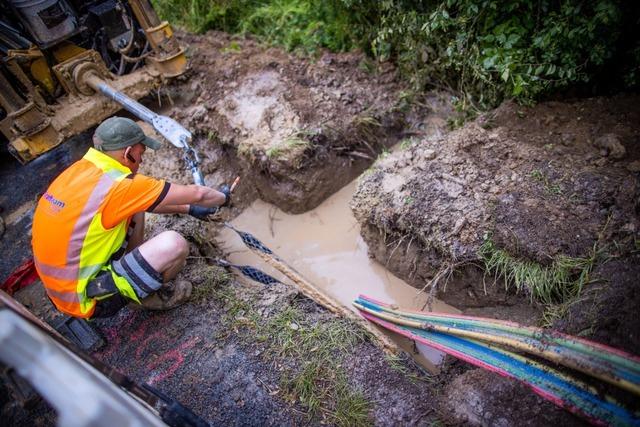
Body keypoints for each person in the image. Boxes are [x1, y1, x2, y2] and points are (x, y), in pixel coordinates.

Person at [32, 116, 229, 319]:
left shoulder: (79, 171)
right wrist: (223, 198)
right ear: (128, 153)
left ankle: (131, 270)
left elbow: (147, 201)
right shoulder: (119, 185)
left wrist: (190, 209)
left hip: (63, 288)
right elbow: (199, 194)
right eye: (141, 153)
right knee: (175, 245)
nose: (142, 160)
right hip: (89, 299)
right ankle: (143, 296)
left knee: (137, 207)